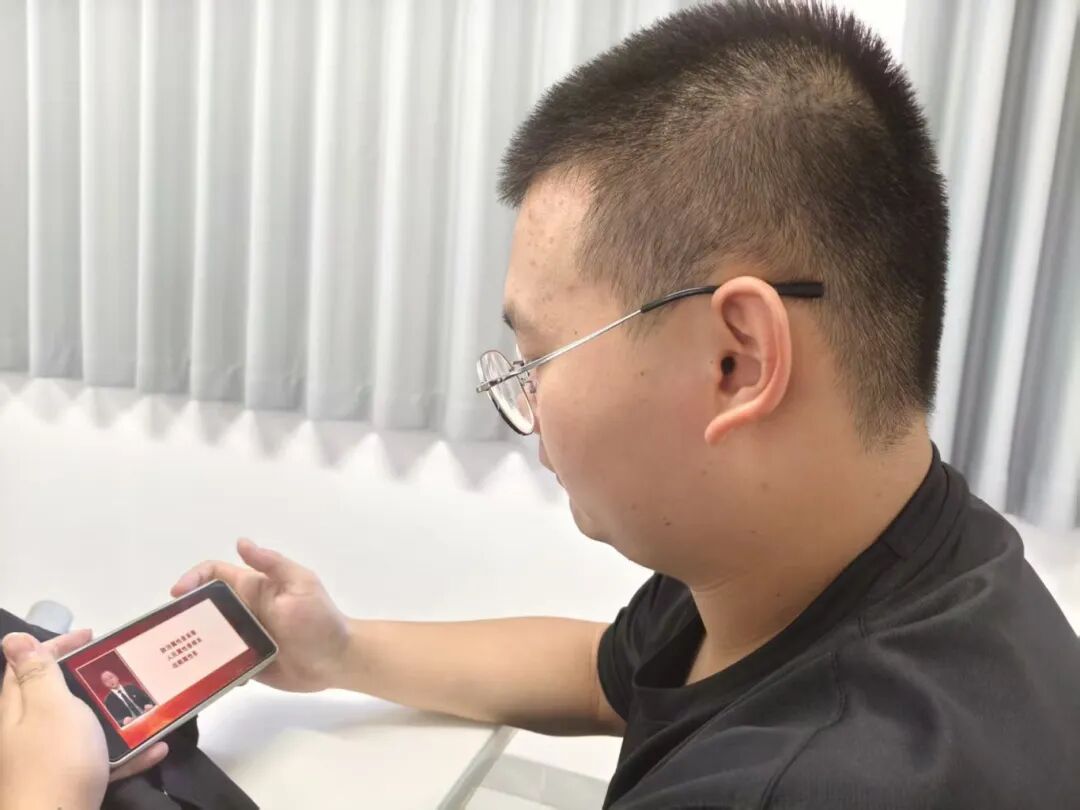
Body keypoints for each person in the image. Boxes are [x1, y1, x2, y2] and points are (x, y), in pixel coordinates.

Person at [4, 1, 1080, 807]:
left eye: (538, 359)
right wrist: (340, 650)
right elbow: (612, 674)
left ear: (736, 361)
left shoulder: (813, 779)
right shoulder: (872, 553)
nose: (523, 409)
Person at [0, 632, 168, 809]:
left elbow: (150, 701)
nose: (110, 681)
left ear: (117, 677)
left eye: (111, 677)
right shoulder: (109, 701)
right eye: (106, 679)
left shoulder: (133, 688)